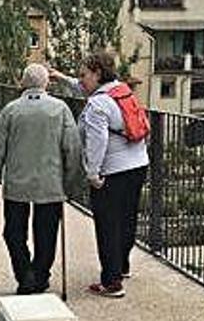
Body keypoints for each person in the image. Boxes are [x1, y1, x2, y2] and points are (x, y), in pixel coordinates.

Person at [51, 52, 149, 298]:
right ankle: (122, 266)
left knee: (107, 225)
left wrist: (93, 174)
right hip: (138, 165)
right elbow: (81, 88)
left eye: (84, 75)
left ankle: (111, 282)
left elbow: (97, 143)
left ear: (97, 74)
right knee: (127, 219)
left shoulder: (97, 105)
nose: (80, 79)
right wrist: (61, 78)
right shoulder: (120, 91)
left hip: (112, 171)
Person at [0, 64, 82, 295]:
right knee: (46, 233)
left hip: (17, 184)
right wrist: (70, 181)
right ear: (46, 83)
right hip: (50, 183)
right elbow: (73, 148)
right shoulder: (60, 109)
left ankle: (25, 275)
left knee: (14, 232)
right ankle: (40, 277)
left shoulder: (10, 110)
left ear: (22, 83)